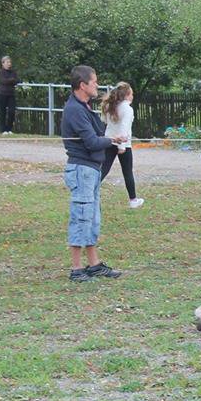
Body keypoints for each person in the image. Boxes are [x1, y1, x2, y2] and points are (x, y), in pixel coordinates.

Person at [61, 65, 127, 282]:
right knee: (81, 217)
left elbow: (99, 134)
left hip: (92, 170)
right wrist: (111, 140)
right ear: (83, 85)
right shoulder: (74, 110)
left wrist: (112, 139)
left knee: (92, 218)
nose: (97, 86)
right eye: (94, 82)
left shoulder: (85, 107)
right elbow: (91, 142)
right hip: (81, 170)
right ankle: (77, 268)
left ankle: (94, 264)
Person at [100, 82, 144, 208]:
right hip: (122, 144)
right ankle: (133, 200)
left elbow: (105, 121)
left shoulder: (111, 106)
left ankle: (90, 189)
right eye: (131, 94)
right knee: (127, 171)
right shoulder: (127, 109)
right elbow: (124, 128)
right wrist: (122, 147)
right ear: (126, 95)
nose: (133, 96)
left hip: (109, 140)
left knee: (104, 168)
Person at [0, 55, 19, 135]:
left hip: (11, 94)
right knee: (2, 112)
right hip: (1, 94)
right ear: (3, 63)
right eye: (7, 62)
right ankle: (3, 130)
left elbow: (17, 80)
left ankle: (9, 129)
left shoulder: (13, 72)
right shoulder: (0, 72)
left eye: (10, 62)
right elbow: (3, 81)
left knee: (12, 111)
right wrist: (12, 80)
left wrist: (11, 80)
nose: (9, 64)